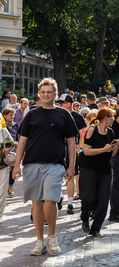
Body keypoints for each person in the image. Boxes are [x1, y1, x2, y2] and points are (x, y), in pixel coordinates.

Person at [12, 78, 78, 256]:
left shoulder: (64, 114)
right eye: (43, 92)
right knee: (36, 203)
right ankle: (39, 241)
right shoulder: (32, 114)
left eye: (49, 92)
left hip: (55, 164)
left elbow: (71, 143)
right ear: (39, 95)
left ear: (55, 94)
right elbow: (22, 141)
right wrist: (16, 165)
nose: (46, 95)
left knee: (51, 199)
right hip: (32, 163)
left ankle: (52, 236)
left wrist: (71, 166)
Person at [80, 107, 119, 237]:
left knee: (103, 201)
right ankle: (84, 215)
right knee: (89, 198)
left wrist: (116, 147)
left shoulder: (110, 132)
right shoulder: (92, 130)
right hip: (89, 169)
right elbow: (86, 150)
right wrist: (103, 149)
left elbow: (112, 153)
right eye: (112, 117)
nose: (113, 120)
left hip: (105, 170)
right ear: (105, 118)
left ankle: (96, 228)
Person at [57, 94, 87, 214]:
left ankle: (70, 204)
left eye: (61, 103)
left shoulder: (78, 117)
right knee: (57, 175)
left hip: (71, 150)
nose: (59, 105)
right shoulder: (57, 114)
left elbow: (82, 135)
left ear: (68, 104)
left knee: (71, 176)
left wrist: (79, 150)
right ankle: (58, 197)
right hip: (58, 150)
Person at [0, 127, 15, 223]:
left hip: (3, 166)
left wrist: (7, 149)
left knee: (2, 191)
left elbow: (12, 144)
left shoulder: (3, 131)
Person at [2, 108, 18, 198]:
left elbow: (16, 139)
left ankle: (10, 188)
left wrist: (13, 147)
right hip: (2, 152)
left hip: (12, 151)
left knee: (13, 169)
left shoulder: (15, 125)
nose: (12, 117)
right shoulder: (2, 126)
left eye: (13, 115)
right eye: (10, 115)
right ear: (5, 116)